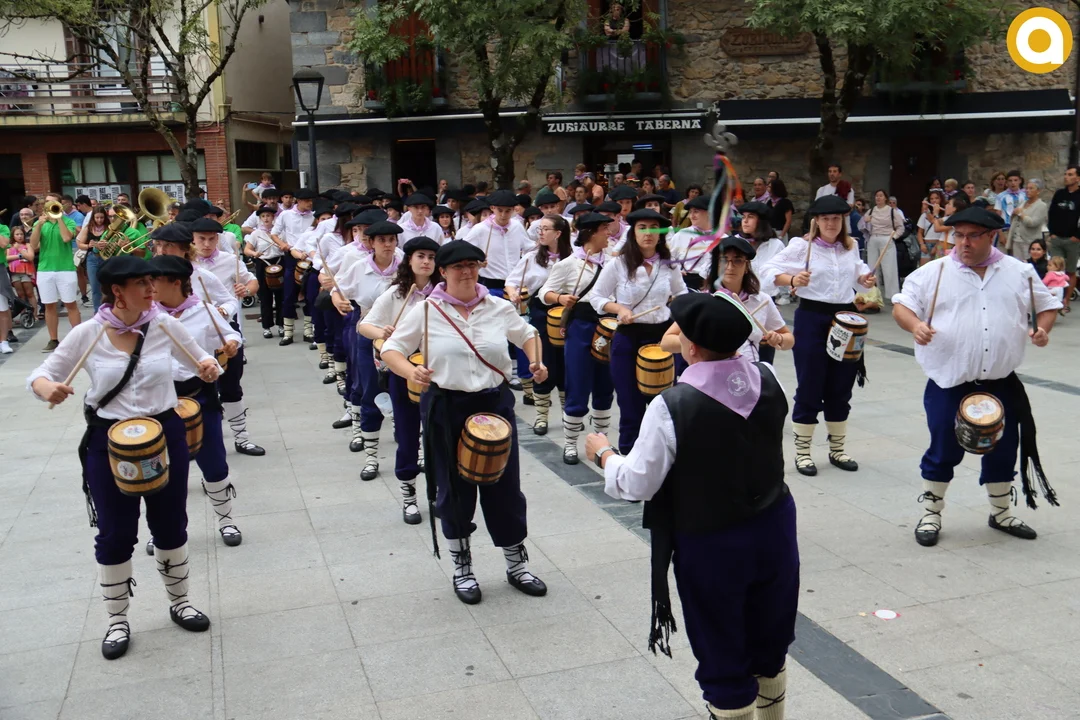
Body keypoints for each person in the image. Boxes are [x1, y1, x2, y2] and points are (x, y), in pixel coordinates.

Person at [585, 291, 798, 720]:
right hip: (774, 526)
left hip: (711, 538)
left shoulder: (672, 405)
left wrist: (604, 454)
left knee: (721, 647)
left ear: (693, 348)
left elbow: (637, 483)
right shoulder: (769, 377)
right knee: (769, 637)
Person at [27, 255, 218, 660]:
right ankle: (117, 620)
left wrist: (208, 367)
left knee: (170, 522)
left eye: (152, 283)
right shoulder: (88, 333)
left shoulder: (164, 325)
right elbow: (41, 374)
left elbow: (202, 359)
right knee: (115, 532)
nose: (152, 291)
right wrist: (47, 389)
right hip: (108, 439)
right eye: (142, 285)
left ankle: (181, 602)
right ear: (117, 291)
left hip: (164, 433)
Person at [381, 240, 549, 605]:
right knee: (453, 490)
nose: (467, 271)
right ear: (443, 271)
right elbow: (391, 348)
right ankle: (463, 567)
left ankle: (516, 564)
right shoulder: (427, 311)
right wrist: (411, 371)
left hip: (493, 404)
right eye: (458, 266)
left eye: (472, 264)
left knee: (505, 487)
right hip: (446, 405)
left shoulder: (498, 306)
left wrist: (536, 361)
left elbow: (528, 334)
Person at [891, 206, 1061, 546]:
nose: (963, 243)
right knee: (943, 445)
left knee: (1004, 447)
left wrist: (1042, 329)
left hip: (1000, 381)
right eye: (959, 235)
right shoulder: (934, 273)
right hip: (949, 381)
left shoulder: (1019, 272)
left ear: (992, 236)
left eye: (973, 236)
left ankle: (1001, 513)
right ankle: (931, 514)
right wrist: (915, 325)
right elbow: (901, 306)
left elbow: (1047, 306)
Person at [758, 194, 876, 476]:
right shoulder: (802, 247)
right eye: (825, 219)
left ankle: (837, 449)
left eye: (836, 219)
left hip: (845, 319)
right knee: (810, 383)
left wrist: (865, 279)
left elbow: (859, 277)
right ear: (816, 221)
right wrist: (792, 279)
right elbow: (767, 270)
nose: (831, 224)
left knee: (841, 384)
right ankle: (803, 453)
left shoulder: (850, 246)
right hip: (812, 317)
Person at [148, 254, 244, 551]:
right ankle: (162, 528)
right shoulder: (146, 316)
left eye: (155, 280)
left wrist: (231, 344)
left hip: (199, 394)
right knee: (159, 468)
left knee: (213, 461)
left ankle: (226, 520)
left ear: (176, 282)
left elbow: (230, 334)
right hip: (159, 400)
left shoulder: (204, 311)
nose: (149, 286)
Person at [591, 208, 689, 454]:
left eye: (654, 228)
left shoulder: (669, 265)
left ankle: (662, 458)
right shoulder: (618, 264)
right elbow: (597, 296)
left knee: (663, 404)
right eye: (642, 228)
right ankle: (628, 458)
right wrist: (619, 308)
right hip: (628, 337)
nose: (648, 233)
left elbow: (682, 294)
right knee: (630, 403)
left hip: (662, 338)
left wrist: (676, 315)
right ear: (633, 232)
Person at [358, 236, 439, 523]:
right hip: (402, 370)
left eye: (431, 257)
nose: (426, 262)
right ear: (409, 260)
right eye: (421, 256)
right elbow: (364, 325)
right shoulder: (395, 294)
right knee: (406, 434)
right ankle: (409, 497)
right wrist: (382, 332)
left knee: (438, 435)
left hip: (438, 372)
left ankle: (437, 494)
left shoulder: (443, 293)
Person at [540, 213, 615, 463]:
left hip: (607, 325)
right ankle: (570, 443)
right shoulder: (568, 264)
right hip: (581, 327)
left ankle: (602, 442)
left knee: (605, 384)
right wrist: (560, 298)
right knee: (578, 382)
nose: (609, 233)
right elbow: (544, 293)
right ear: (591, 233)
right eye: (604, 229)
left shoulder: (614, 262)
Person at [332, 220, 402, 472]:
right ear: (371, 243)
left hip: (401, 335)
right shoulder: (359, 267)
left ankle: (404, 434)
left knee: (402, 387)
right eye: (381, 240)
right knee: (369, 386)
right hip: (368, 332)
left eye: (391, 240)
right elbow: (337, 289)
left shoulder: (404, 265)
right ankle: (370, 455)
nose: (387, 245)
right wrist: (338, 301)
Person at [191, 218, 264, 456]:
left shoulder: (229, 260)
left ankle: (242, 439)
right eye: (201, 239)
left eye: (212, 239)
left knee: (231, 384)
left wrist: (246, 290)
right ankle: (197, 441)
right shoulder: (185, 265)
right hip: (195, 332)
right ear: (192, 240)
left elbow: (252, 282)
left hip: (226, 329)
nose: (207, 244)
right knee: (198, 387)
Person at [507, 213, 573, 436]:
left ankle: (567, 415)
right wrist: (513, 293)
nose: (541, 233)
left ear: (558, 233)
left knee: (567, 365)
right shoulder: (532, 258)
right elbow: (511, 281)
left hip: (567, 313)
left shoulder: (574, 257)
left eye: (546, 229)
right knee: (542, 362)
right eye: (540, 229)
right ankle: (541, 416)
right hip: (541, 313)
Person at [462, 189, 532, 397]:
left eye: (508, 211)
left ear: (514, 210)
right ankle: (501, 373)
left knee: (522, 328)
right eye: (500, 210)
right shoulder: (480, 230)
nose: (503, 215)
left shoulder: (517, 227)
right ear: (492, 209)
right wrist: (477, 261)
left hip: (516, 286)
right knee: (496, 332)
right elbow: (463, 250)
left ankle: (526, 376)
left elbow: (529, 247)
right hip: (492, 285)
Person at [697, 236, 793, 364]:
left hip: (749, 370)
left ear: (747, 266)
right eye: (724, 260)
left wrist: (779, 338)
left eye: (738, 261)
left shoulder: (761, 300)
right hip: (712, 371)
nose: (730, 267)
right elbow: (671, 340)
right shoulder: (704, 300)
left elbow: (789, 340)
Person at [30, 199, 81, 352]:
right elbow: (33, 245)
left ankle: (78, 339)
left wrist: (59, 218)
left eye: (53, 203)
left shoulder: (69, 221)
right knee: (49, 305)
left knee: (70, 304)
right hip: (45, 269)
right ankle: (53, 340)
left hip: (66, 268)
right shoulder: (40, 222)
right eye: (47, 203)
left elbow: (66, 238)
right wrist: (39, 225)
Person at [270, 188, 317, 346]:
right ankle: (288, 333)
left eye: (311, 200)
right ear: (299, 201)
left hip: (310, 257)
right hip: (292, 256)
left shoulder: (314, 216)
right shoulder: (286, 215)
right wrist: (284, 245)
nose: (310, 203)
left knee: (310, 294)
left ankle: (308, 331)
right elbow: (274, 233)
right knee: (289, 294)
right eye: (307, 200)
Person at [245, 205, 285, 339]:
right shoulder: (256, 234)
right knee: (265, 296)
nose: (266, 218)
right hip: (263, 263)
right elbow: (247, 250)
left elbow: (288, 246)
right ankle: (267, 327)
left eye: (268, 216)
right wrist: (254, 253)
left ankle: (281, 325)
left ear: (273, 217)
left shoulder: (280, 232)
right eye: (263, 216)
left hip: (279, 262)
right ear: (260, 219)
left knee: (281, 296)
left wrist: (284, 247)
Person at [1047, 164, 1080, 314]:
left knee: (1071, 271)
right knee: (1055, 270)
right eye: (1066, 174)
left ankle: (1066, 301)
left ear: (1078, 178)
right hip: (1057, 238)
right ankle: (1055, 301)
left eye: (1070, 174)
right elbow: (1051, 213)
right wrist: (1052, 232)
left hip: (1073, 240)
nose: (1066, 177)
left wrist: (1077, 237)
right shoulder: (1059, 194)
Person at [863, 189, 905, 297]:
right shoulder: (871, 211)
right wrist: (865, 221)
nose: (878, 197)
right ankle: (874, 293)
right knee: (872, 267)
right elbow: (862, 225)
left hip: (887, 238)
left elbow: (900, 227)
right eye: (877, 195)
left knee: (889, 268)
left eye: (881, 195)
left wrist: (893, 237)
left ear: (885, 198)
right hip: (873, 238)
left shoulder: (891, 211)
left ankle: (892, 295)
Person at [668, 195, 714, 290]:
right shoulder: (682, 235)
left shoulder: (722, 238)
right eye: (690, 212)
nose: (691, 216)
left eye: (696, 212)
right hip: (686, 285)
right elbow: (668, 259)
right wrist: (676, 271)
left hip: (712, 285)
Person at [77, 206, 113, 311]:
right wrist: (89, 245)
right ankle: (97, 312)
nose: (99, 220)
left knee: (108, 286)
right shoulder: (88, 228)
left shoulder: (109, 227)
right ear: (93, 217)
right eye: (97, 218)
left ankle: (110, 310)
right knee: (95, 287)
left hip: (107, 258)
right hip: (92, 258)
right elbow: (80, 244)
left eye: (102, 217)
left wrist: (107, 244)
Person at [1007, 179, 1048, 262]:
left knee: (1030, 264)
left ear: (1038, 191)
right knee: (1017, 264)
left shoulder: (1041, 206)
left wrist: (1020, 214)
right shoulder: (1022, 203)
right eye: (1027, 188)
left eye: (1031, 188)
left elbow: (1032, 223)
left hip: (1030, 242)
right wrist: (1014, 214)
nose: (1027, 190)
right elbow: (1014, 220)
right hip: (1016, 240)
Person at [917, 190, 947, 265]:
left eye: (936, 198)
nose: (934, 201)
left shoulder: (945, 215)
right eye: (931, 199)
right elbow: (920, 232)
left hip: (939, 244)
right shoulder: (924, 215)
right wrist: (922, 244)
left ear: (941, 199)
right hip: (926, 245)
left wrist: (936, 246)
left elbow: (935, 222)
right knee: (924, 269)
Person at [995, 170, 1025, 237]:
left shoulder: (1025, 195)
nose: (1013, 183)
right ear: (1006, 182)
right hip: (1006, 229)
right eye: (1010, 181)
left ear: (1020, 181)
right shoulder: (1000, 196)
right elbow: (997, 216)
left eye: (1015, 180)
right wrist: (1000, 234)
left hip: (1023, 228)